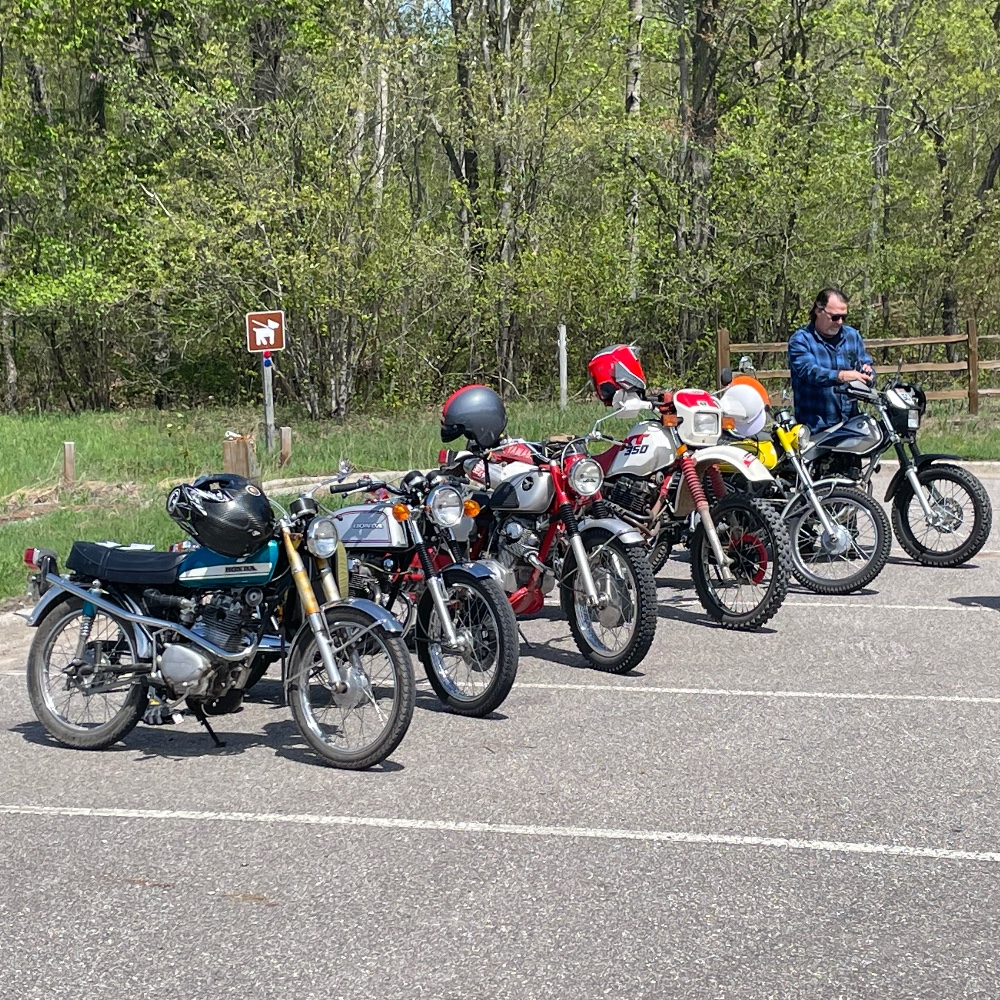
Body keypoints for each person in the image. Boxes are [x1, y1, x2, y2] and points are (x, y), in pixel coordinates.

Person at [788, 287, 874, 433]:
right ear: (818, 311)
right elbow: (810, 371)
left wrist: (868, 375)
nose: (839, 322)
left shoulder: (852, 336)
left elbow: (865, 364)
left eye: (843, 317)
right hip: (816, 428)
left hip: (851, 424)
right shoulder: (801, 340)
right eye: (834, 317)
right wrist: (842, 376)